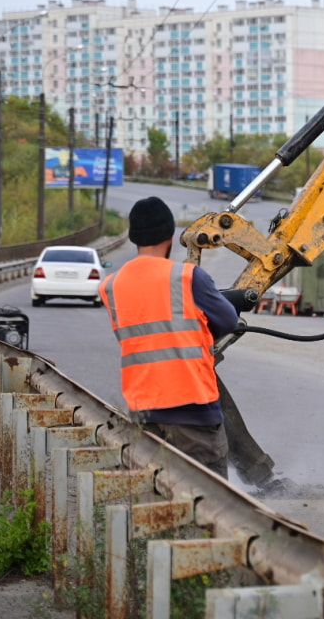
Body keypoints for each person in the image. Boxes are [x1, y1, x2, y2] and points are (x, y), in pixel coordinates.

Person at [99, 196, 239, 478]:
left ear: (134, 237)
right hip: (194, 411)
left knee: (156, 500)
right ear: (171, 236)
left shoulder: (111, 286)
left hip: (144, 411)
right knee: (208, 503)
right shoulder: (188, 277)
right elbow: (228, 321)